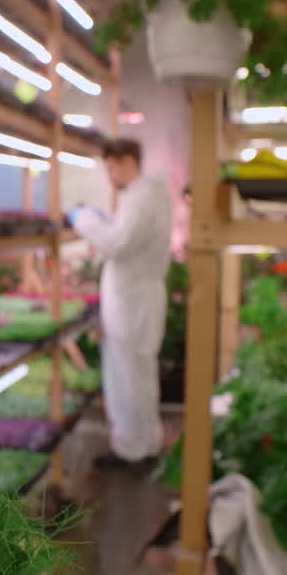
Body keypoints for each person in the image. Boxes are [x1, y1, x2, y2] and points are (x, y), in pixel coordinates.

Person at [68, 139, 173, 469]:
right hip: (136, 299)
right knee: (136, 374)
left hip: (133, 303)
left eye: (111, 167)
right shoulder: (146, 196)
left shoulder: (143, 197)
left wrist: (83, 219)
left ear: (128, 161)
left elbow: (116, 243)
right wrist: (105, 220)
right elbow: (124, 236)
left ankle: (131, 450)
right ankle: (143, 443)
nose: (109, 175)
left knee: (127, 377)